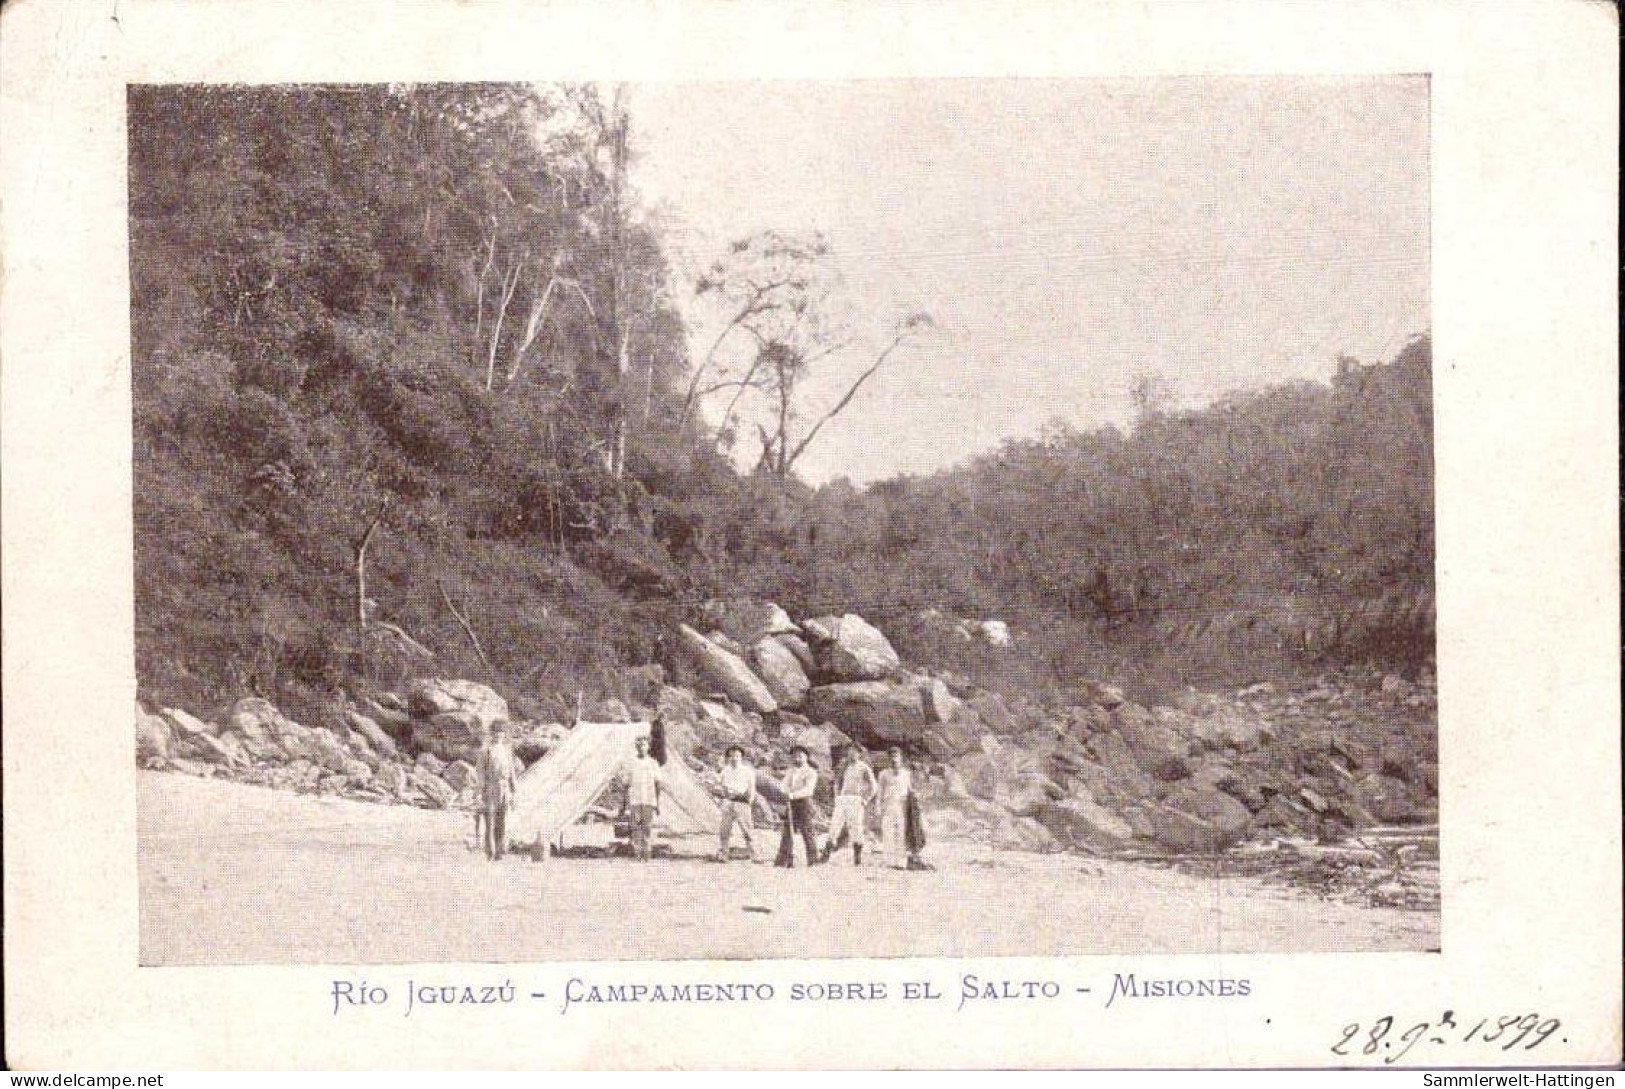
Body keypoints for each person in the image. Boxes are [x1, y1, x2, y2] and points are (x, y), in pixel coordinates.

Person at [822, 746, 877, 865]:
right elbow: (837, 782)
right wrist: (837, 796)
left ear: (859, 754)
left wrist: (865, 799)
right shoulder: (844, 766)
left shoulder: (864, 767)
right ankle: (825, 856)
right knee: (834, 826)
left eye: (854, 752)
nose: (851, 754)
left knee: (856, 828)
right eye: (849, 752)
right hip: (843, 799)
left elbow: (873, 786)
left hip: (856, 800)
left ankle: (857, 858)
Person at [476, 720, 519, 861]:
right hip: (491, 787)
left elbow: (511, 771)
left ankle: (499, 851)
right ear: (491, 734)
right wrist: (480, 792)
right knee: (490, 821)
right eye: (495, 732)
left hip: (504, 788)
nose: (498, 735)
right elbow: (481, 773)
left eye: (501, 732)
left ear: (504, 734)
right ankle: (490, 852)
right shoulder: (485, 751)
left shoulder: (506, 750)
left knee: (502, 821)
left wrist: (514, 791)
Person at [774, 745, 822, 867]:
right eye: (795, 755)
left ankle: (813, 860)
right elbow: (783, 784)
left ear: (806, 757)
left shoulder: (811, 772)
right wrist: (785, 791)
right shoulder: (791, 771)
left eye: (800, 755)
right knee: (787, 832)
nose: (797, 758)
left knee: (807, 831)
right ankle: (783, 860)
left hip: (804, 803)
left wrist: (793, 795)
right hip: (791, 803)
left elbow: (808, 790)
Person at [621, 734, 663, 862]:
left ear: (648, 747)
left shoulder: (653, 763)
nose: (641, 748)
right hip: (635, 799)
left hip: (649, 799)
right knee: (636, 827)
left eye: (643, 745)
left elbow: (658, 783)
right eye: (638, 745)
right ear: (636, 747)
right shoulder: (631, 763)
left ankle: (647, 853)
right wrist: (624, 804)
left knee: (647, 827)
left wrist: (657, 803)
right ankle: (637, 853)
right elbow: (626, 784)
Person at [715, 744, 759, 863]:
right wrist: (724, 797)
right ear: (728, 757)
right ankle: (724, 854)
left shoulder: (747, 771)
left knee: (747, 829)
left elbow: (751, 787)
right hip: (728, 802)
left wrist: (749, 801)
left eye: (737, 756)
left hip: (742, 801)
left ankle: (753, 854)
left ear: (741, 757)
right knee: (724, 830)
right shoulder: (725, 770)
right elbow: (722, 785)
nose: (734, 758)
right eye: (732, 756)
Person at [876, 746, 917, 870]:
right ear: (889, 759)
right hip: (888, 805)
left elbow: (910, 789)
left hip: (902, 806)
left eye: (897, 756)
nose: (894, 759)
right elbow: (879, 791)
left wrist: (915, 798)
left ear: (901, 758)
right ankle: (888, 860)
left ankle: (901, 861)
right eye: (892, 756)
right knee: (887, 832)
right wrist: (878, 807)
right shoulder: (883, 774)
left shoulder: (906, 774)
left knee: (901, 834)